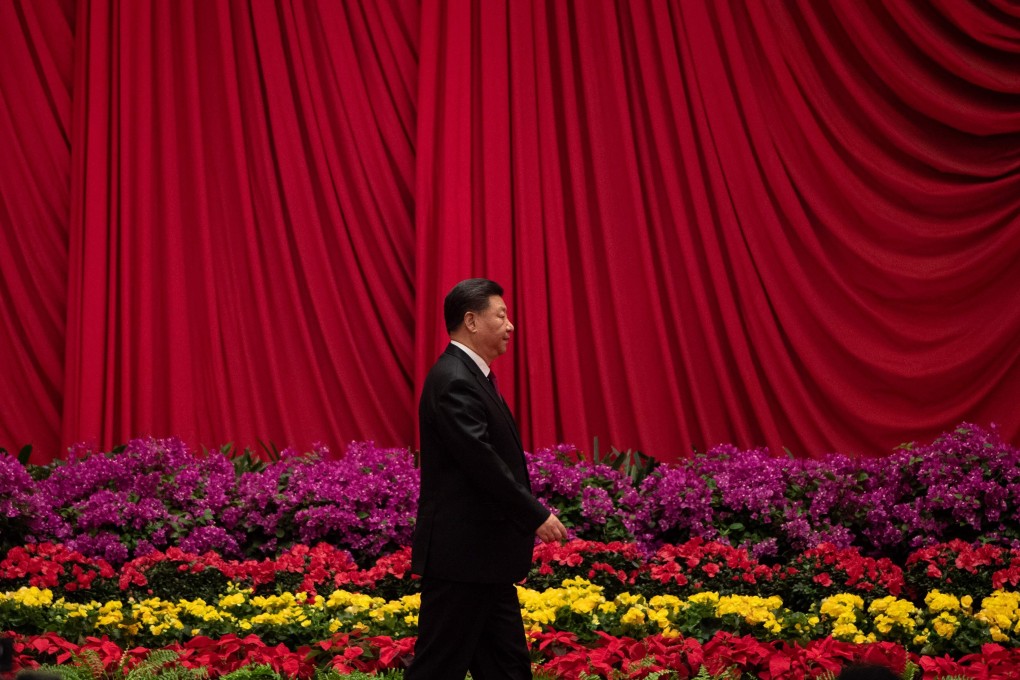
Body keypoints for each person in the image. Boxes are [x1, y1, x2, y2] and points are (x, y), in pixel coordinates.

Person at [406, 278, 568, 680]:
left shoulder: (471, 376)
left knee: (507, 668)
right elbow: (482, 462)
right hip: (462, 561)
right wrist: (534, 515)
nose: (510, 325)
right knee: (437, 668)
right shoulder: (454, 379)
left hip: (484, 560)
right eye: (502, 315)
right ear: (471, 321)